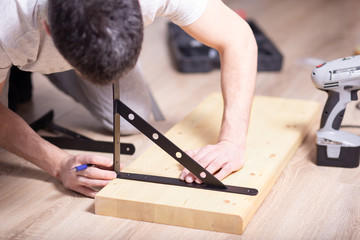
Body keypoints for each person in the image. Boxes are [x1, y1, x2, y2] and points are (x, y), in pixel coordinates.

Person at [0, 0, 257, 197]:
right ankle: (15, 69)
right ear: (49, 29)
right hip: (19, 42)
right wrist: (59, 164)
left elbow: (238, 38)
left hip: (43, 41)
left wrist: (232, 142)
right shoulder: (7, 21)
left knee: (131, 120)